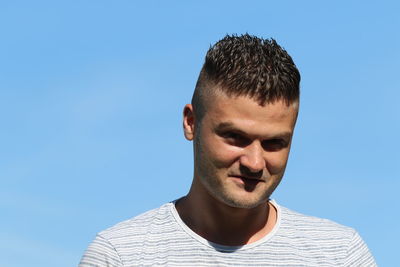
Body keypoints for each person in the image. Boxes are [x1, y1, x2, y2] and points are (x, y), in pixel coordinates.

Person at [79, 34, 376, 266]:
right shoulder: (122, 255)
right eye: (235, 137)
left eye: (274, 143)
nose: (255, 162)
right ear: (191, 123)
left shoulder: (339, 254)